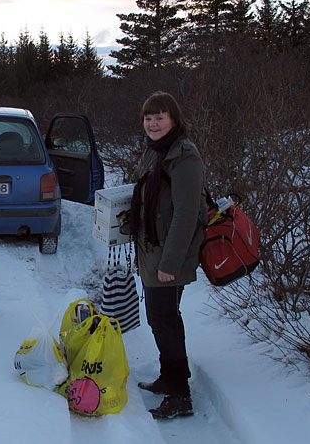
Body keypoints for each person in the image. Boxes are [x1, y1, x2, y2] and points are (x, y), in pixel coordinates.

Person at [129, 91, 207, 419]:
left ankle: (180, 394)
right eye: (148, 118)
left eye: (160, 117)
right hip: (153, 249)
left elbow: (187, 215)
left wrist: (170, 263)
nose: (153, 123)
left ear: (174, 119)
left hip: (169, 254)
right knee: (160, 318)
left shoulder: (183, 156)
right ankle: (169, 377)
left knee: (166, 320)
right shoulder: (155, 152)